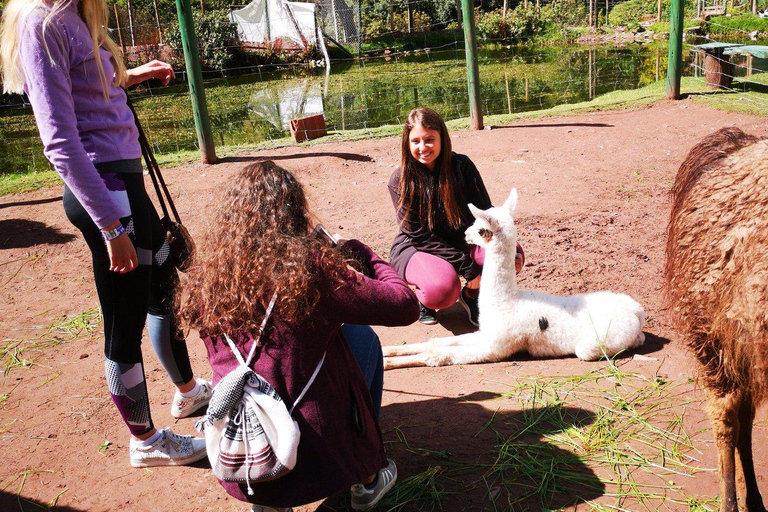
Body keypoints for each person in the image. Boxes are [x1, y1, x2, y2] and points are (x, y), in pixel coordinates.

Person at [0, 0, 210, 467]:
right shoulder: (42, 23)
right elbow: (59, 139)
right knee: (124, 323)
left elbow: (89, 87)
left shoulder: (75, 12)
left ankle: (188, 392)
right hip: (106, 192)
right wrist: (111, 226)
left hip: (125, 181)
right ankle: (146, 441)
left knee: (165, 286)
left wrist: (133, 75)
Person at [177, 161, 419, 512]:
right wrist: (362, 254)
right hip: (316, 455)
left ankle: (270, 499)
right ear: (292, 212)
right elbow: (405, 305)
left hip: (242, 454)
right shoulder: (312, 269)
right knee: (361, 339)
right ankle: (367, 478)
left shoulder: (206, 280)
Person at [389, 107, 525, 326]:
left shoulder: (463, 166)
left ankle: (471, 296)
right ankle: (426, 299)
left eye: (430, 139)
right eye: (415, 141)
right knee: (441, 290)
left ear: (443, 138)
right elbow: (420, 237)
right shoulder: (400, 180)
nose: (423, 147)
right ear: (407, 143)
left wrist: (504, 248)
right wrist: (469, 268)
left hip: (463, 237)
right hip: (419, 246)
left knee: (511, 251)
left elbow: (484, 214)